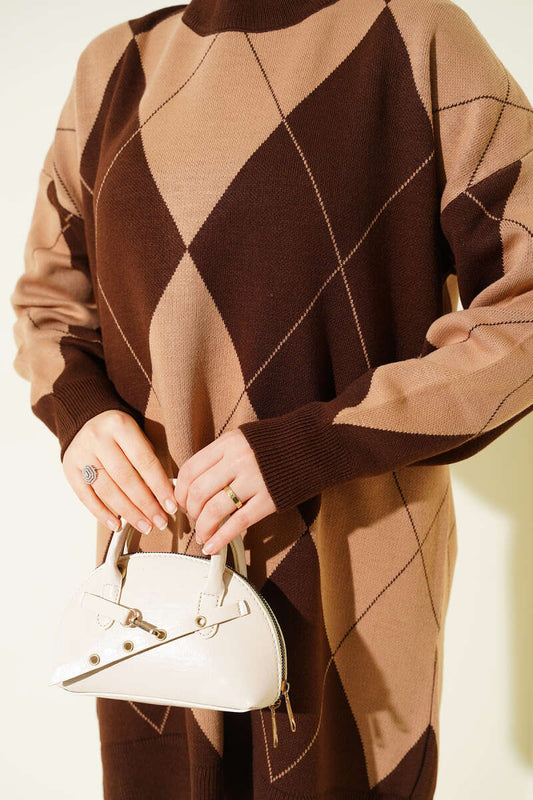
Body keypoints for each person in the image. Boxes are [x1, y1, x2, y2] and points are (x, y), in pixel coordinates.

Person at [9, 0, 533, 797]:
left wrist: (313, 443)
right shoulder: (114, 65)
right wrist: (78, 412)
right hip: (155, 572)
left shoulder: (414, 35)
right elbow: (49, 303)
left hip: (353, 560)